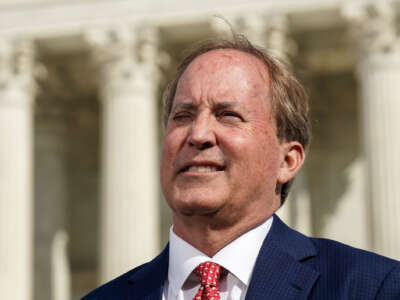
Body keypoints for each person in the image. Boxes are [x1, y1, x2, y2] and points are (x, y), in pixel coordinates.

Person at [82, 35, 400, 300]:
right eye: (183, 116)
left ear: (287, 161)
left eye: (228, 115)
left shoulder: (372, 288)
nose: (199, 135)